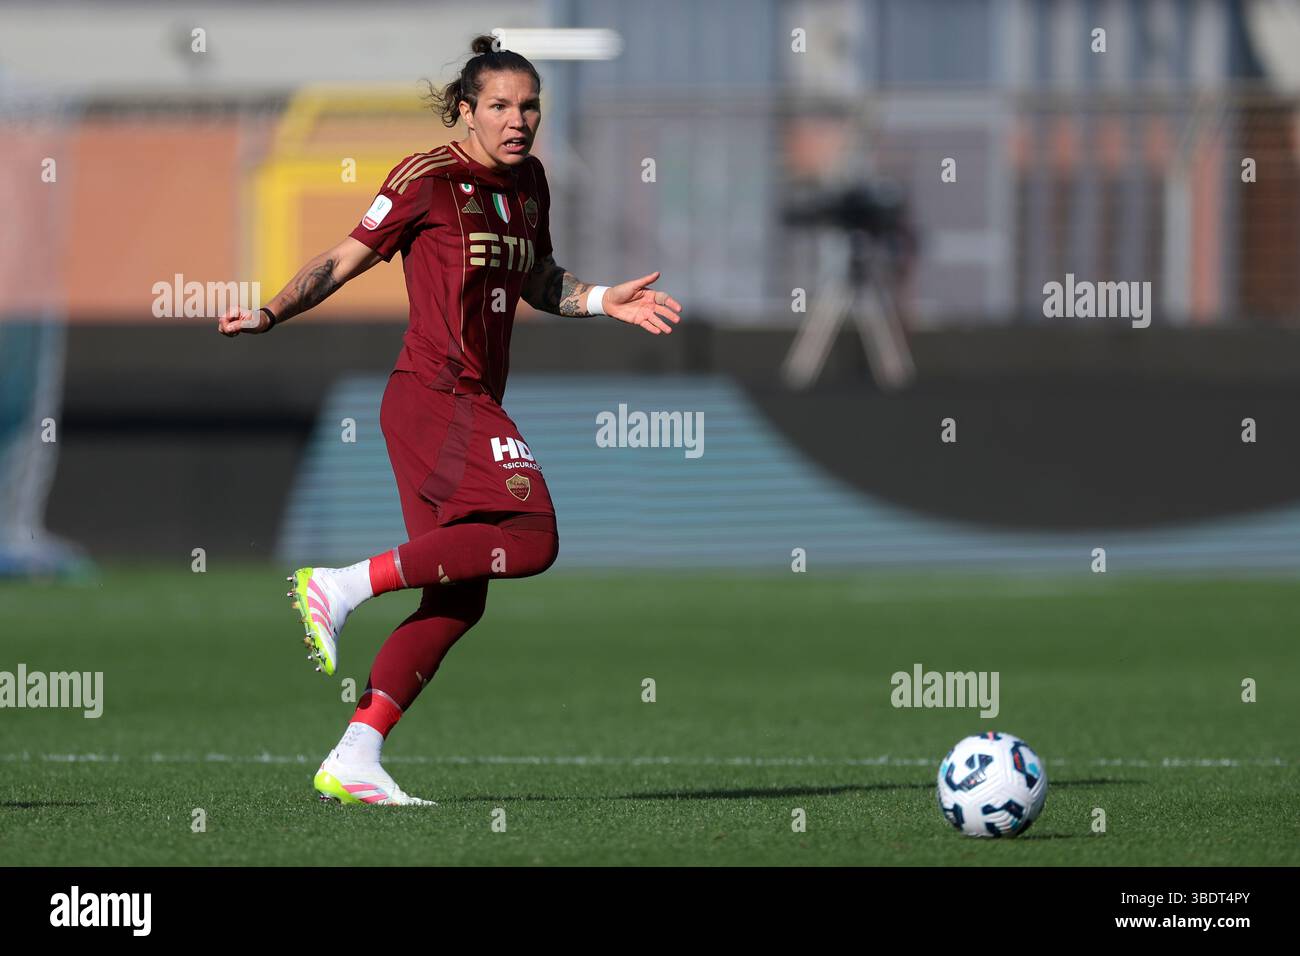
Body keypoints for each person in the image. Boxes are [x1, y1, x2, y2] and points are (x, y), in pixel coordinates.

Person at [217, 35, 683, 805]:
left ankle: (355, 756)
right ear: (465, 111)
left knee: (463, 591)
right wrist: (271, 311)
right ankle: (339, 585)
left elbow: (535, 277)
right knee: (532, 539)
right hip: (433, 394)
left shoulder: (531, 181)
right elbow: (343, 257)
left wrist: (603, 300)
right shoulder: (427, 178)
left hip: (469, 398)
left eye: (530, 105)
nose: (518, 119)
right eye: (500, 105)